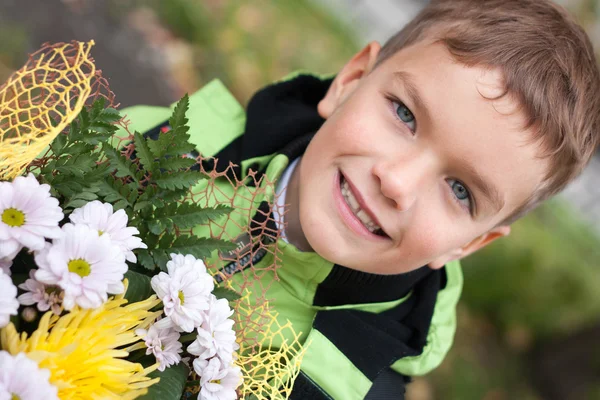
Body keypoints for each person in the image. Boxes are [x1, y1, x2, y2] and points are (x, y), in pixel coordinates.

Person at [120, 0, 600, 398]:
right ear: (349, 83)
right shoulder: (166, 142)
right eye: (405, 115)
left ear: (469, 245)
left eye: (460, 191)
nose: (395, 182)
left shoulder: (349, 383)